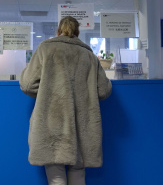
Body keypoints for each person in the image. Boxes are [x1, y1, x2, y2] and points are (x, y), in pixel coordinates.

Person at [20, 16, 112, 185]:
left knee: (55, 176)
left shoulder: (45, 49)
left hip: (51, 121)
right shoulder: (89, 55)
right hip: (82, 125)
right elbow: (104, 90)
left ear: (58, 31)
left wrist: (46, 90)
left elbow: (27, 85)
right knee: (78, 172)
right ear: (77, 32)